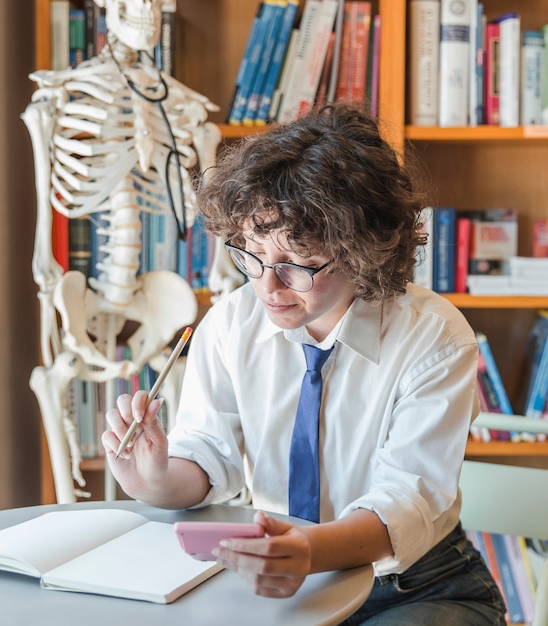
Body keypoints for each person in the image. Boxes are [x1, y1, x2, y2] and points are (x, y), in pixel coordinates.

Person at [102, 103, 506, 624]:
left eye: (298, 265)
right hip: (272, 575)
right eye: (250, 253)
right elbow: (210, 457)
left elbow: (406, 500)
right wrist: (154, 480)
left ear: (365, 253)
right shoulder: (230, 324)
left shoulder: (435, 337)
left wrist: (309, 551)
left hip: (413, 586)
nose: (266, 287)